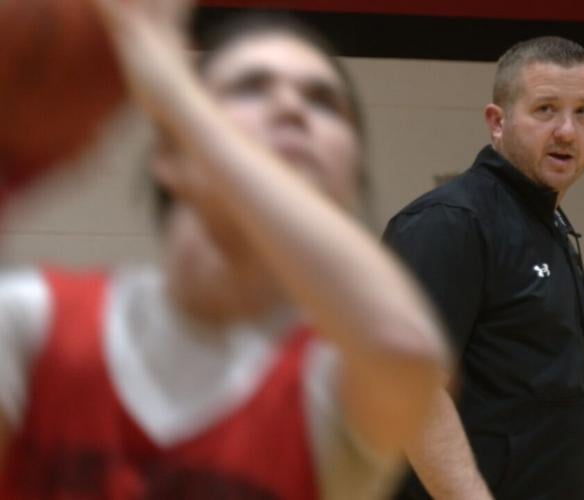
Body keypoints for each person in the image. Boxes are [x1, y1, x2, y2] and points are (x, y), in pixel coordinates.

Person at [0, 2, 450, 499]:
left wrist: (173, 90)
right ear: (169, 154)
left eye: (324, 101)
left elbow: (405, 347)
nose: (292, 108)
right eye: (250, 87)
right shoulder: (35, 321)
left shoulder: (329, 379)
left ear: (350, 173)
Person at [384, 36, 584, 499]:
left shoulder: (550, 225)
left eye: (583, 112)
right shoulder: (451, 223)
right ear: (497, 122)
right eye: (546, 109)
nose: (567, 131)